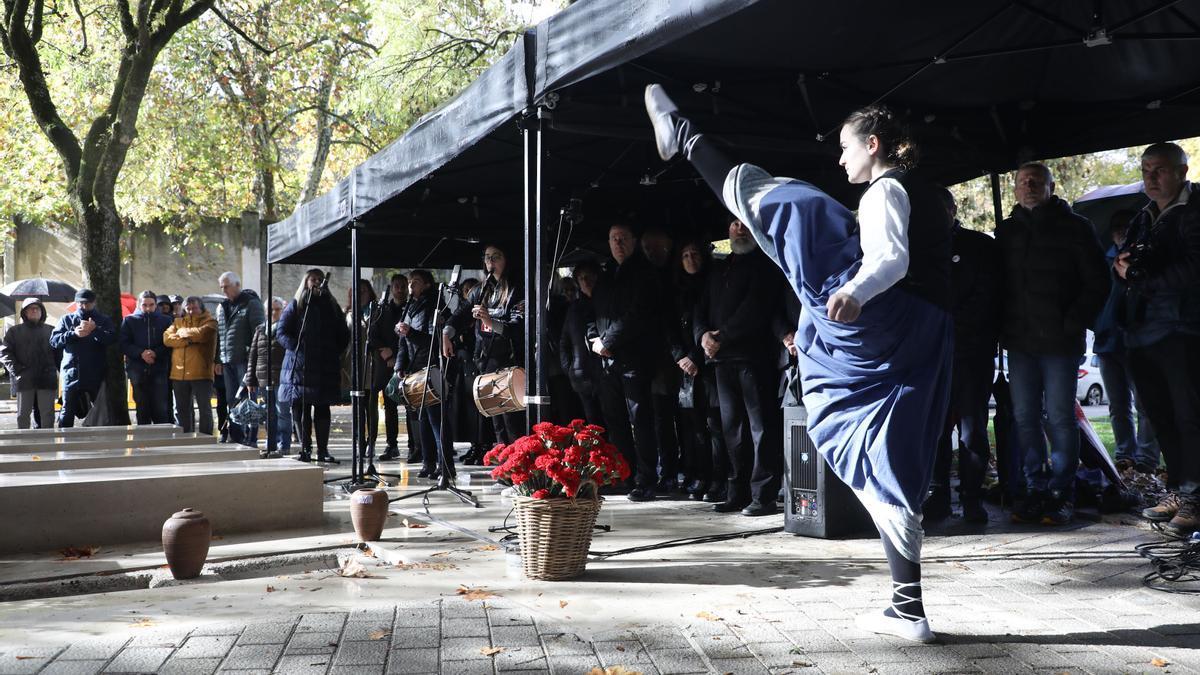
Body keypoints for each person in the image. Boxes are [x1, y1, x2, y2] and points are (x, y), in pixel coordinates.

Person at [646, 85, 953, 642]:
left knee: (797, 208)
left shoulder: (886, 190)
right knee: (891, 459)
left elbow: (890, 259)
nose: (841, 158)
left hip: (884, 321)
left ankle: (688, 137)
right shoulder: (924, 191)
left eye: (846, 147)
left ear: (874, 144)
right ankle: (909, 609)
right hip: (924, 334)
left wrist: (856, 291)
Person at [995, 162, 1109, 526]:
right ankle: (1034, 488)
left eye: (1036, 181)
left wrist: (1073, 320)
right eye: (1022, 181)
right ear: (1014, 189)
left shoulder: (1076, 228)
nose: (1029, 186)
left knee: (1060, 418)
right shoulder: (1007, 231)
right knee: (1025, 417)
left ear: (1051, 186)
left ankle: (1062, 492)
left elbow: (1098, 282)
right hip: (1020, 342)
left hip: (1061, 342)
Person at [1116, 142, 1200, 537]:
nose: (1150, 177)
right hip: (1143, 330)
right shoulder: (1144, 216)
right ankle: (1179, 489)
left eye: (1160, 170)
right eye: (1146, 169)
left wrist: (1141, 276)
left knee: (1190, 416)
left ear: (1182, 172)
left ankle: (1195, 496)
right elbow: (1134, 264)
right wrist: (1126, 264)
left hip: (1183, 329)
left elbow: (1193, 269)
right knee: (1161, 416)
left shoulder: (1194, 211)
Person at [694, 220, 786, 516]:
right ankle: (737, 492)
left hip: (752, 357)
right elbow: (700, 308)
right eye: (734, 224)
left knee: (760, 429)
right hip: (721, 361)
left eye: (745, 224)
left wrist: (722, 337)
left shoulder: (765, 264)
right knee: (731, 429)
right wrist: (702, 335)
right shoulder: (718, 268)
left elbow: (756, 308)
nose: (739, 229)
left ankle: (763, 495)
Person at [925, 188, 1001, 524]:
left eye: (939, 209)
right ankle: (938, 496)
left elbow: (988, 297)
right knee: (936, 431)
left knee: (972, 432)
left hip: (971, 353)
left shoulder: (979, 246)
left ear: (953, 209)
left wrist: (948, 326)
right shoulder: (918, 250)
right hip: (932, 356)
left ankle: (972, 498)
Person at [588, 223, 666, 501]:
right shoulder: (607, 274)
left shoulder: (644, 273)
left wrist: (608, 342)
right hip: (606, 361)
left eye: (623, 238)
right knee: (615, 421)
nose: (618, 243)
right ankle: (623, 475)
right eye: (613, 239)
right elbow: (593, 312)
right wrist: (595, 339)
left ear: (633, 241)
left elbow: (637, 315)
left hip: (634, 358)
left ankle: (646, 479)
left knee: (640, 420)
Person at [1093, 212, 1159, 475]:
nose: (1121, 231)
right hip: (1108, 340)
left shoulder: (1144, 258)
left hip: (1138, 340)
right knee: (1117, 404)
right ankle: (1125, 455)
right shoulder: (1102, 260)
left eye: (1127, 227)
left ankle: (1146, 459)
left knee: (1145, 404)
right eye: (1117, 227)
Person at [447, 245, 525, 445]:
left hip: (510, 361)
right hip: (486, 360)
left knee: (511, 420)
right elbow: (461, 315)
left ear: (507, 260)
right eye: (487, 257)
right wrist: (447, 332)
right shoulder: (482, 289)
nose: (490, 262)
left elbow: (519, 326)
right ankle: (504, 467)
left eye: (496, 257)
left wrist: (491, 322)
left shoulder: (519, 287)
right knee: (496, 420)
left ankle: (517, 469)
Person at [671, 239, 728, 502]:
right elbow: (668, 327)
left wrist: (694, 357)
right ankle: (699, 476)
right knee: (693, 427)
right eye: (685, 254)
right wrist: (680, 357)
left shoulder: (713, 283)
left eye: (695, 253)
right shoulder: (676, 289)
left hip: (709, 363)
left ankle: (719, 479)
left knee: (715, 425)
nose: (691, 258)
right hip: (685, 368)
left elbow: (706, 323)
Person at [277, 269, 349, 463]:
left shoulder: (331, 305)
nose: (316, 282)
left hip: (325, 365)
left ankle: (323, 450)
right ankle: (305, 448)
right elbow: (281, 331)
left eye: (319, 279)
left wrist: (334, 351)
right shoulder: (297, 305)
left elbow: (343, 333)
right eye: (313, 279)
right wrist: (296, 347)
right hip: (300, 365)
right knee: (301, 406)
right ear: (306, 282)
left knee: (322, 407)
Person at [396, 269, 453, 479]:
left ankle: (445, 465)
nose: (411, 286)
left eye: (416, 282)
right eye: (410, 282)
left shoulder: (434, 307)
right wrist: (400, 365)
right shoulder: (409, 307)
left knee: (436, 420)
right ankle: (428, 462)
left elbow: (434, 341)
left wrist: (410, 332)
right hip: (413, 369)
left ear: (428, 285)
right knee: (423, 421)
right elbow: (402, 341)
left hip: (431, 368)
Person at [50, 288, 117, 428]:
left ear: (94, 303)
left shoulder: (103, 320)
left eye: (88, 303)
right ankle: (64, 444)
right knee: (67, 411)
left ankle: (99, 445)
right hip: (71, 372)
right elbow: (54, 341)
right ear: (76, 303)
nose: (84, 306)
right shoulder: (66, 319)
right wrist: (73, 334)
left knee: (99, 412)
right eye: (81, 303)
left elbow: (112, 339)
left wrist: (95, 330)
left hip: (96, 373)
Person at [216, 271, 265, 447]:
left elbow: (259, 333)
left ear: (237, 285)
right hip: (227, 359)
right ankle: (236, 435)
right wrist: (218, 359)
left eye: (226, 286)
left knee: (249, 399)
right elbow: (220, 335)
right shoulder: (222, 307)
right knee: (232, 399)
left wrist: (255, 360)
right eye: (221, 287)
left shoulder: (251, 304)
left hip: (245, 360)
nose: (224, 290)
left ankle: (251, 437)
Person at [560, 260, 609, 427]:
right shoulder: (574, 309)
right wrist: (570, 369)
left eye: (589, 277)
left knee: (613, 422)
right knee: (593, 425)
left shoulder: (607, 303)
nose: (585, 281)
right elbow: (564, 341)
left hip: (608, 375)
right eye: (581, 278)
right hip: (582, 376)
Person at [163, 296, 218, 435]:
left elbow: (202, 334)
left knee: (204, 408)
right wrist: (188, 341)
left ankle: (206, 438)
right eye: (188, 309)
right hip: (178, 373)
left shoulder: (210, 322)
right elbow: (167, 339)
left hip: (201, 372)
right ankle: (185, 437)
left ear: (201, 308)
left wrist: (182, 333)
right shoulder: (177, 322)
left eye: (194, 308)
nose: (191, 311)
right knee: (182, 410)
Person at [0, 298, 57, 429]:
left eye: (37, 308)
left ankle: (48, 444)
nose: (34, 310)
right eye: (30, 308)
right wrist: (18, 371)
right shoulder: (14, 332)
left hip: (47, 378)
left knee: (48, 414)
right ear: (24, 313)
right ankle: (24, 443)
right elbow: (4, 353)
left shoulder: (51, 330)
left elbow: (59, 353)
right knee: (23, 414)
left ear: (42, 312)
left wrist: (55, 370)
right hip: (24, 379)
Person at [119, 290, 174, 425]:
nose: (148, 308)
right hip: (137, 368)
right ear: (139, 305)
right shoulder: (129, 321)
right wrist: (141, 353)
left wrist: (155, 353)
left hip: (159, 368)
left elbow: (170, 343)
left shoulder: (166, 320)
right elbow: (123, 344)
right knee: (142, 407)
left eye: (151, 305)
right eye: (145, 305)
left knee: (160, 407)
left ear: (156, 305)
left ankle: (162, 440)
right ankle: (144, 441)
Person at [245, 296, 290, 458]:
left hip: (282, 377)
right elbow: (253, 355)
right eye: (270, 309)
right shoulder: (260, 329)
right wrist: (250, 380)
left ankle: (283, 445)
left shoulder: (287, 329)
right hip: (263, 377)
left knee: (283, 412)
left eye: (277, 309)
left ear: (282, 311)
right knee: (268, 413)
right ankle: (270, 445)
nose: (273, 312)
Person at [376, 273, 408, 461]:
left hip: (407, 363)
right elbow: (374, 333)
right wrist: (386, 352)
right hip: (387, 363)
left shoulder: (411, 307)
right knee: (390, 406)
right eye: (396, 286)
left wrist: (398, 358)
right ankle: (392, 445)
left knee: (411, 406)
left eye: (403, 285)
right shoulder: (383, 310)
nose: (400, 289)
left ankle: (415, 445)